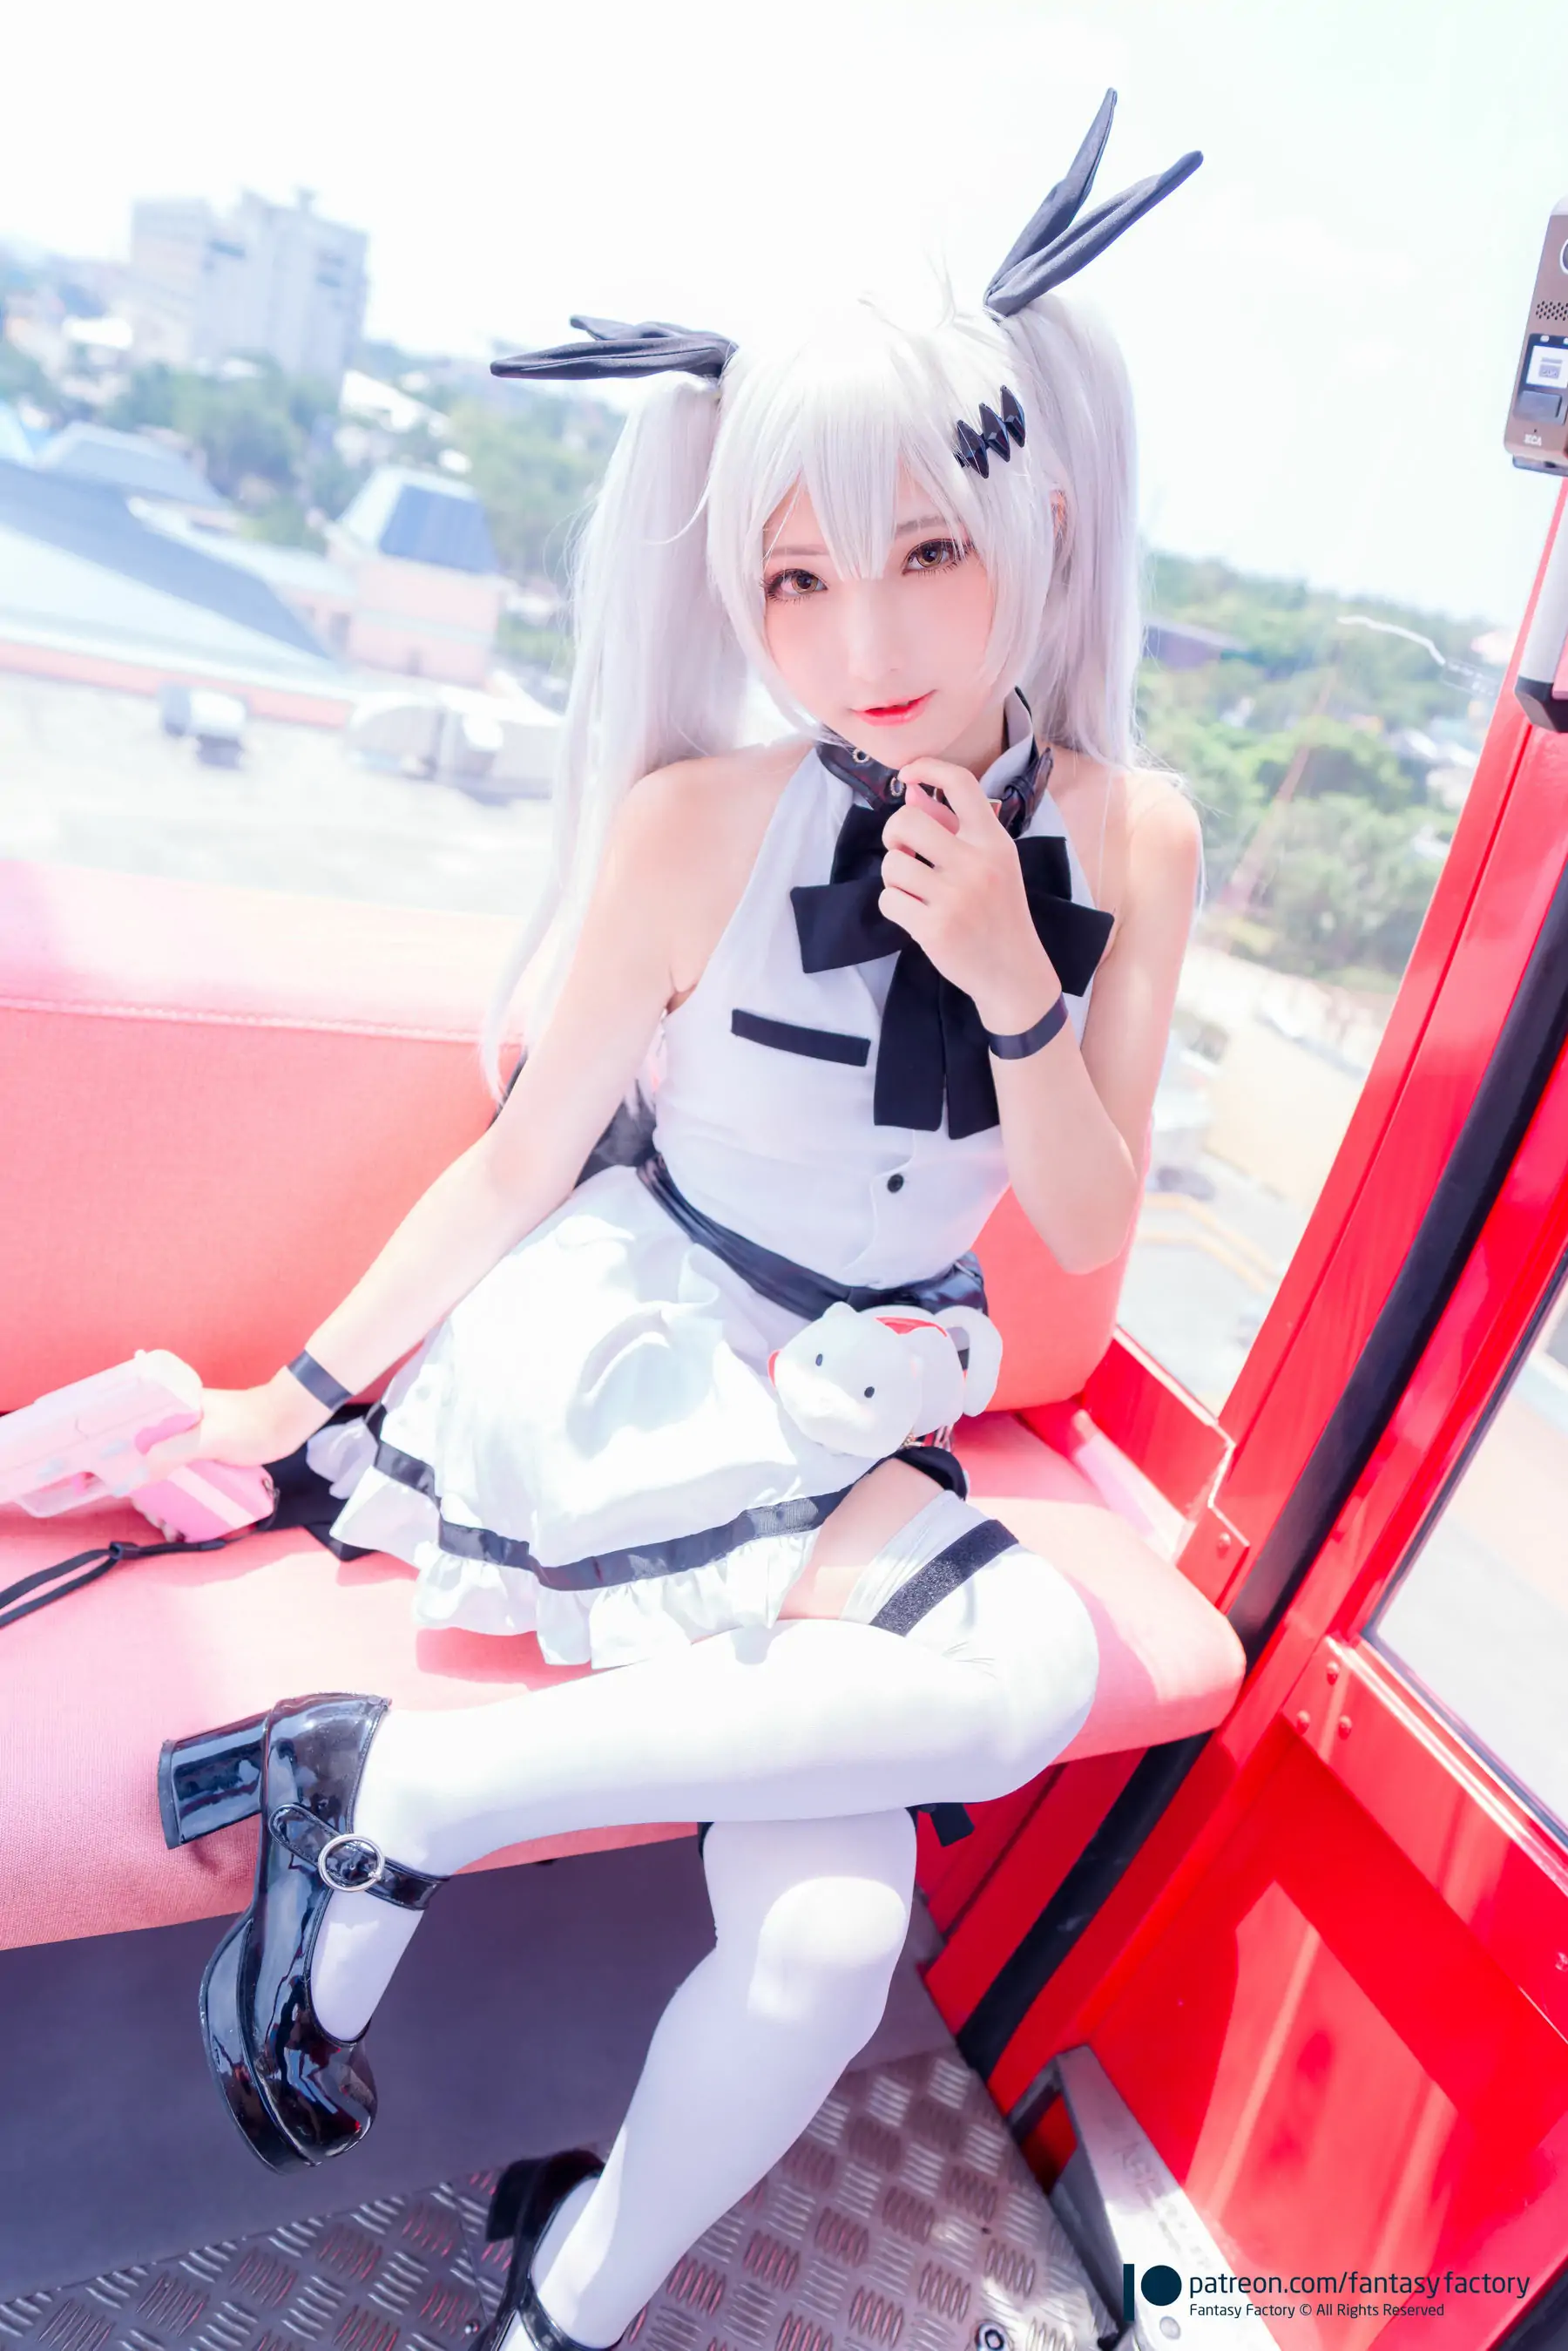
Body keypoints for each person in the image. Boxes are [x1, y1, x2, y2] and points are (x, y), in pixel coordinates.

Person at [147, 91, 1204, 2351]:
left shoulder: (1137, 836)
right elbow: (524, 1158)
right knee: (1017, 1686)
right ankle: (402, 1797)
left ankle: (558, 2285)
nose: (862, 639)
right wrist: (293, 1399)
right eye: (796, 581)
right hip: (650, 1345)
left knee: (829, 1944)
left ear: (1040, 516)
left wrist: (1015, 972)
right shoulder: (699, 819)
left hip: (862, 1395)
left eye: (927, 553)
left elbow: (1086, 1232)